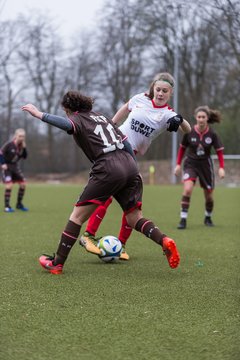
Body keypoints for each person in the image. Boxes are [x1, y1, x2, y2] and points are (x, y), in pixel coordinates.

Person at [22, 90, 181, 274]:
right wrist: (131, 169)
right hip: (129, 164)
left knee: (77, 217)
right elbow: (127, 144)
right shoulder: (103, 117)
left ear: (68, 109)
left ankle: (57, 263)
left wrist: (39, 114)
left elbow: (67, 125)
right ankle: (164, 240)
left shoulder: (78, 119)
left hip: (108, 166)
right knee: (134, 217)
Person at [82, 72, 191, 260]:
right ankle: (88, 235)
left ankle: (121, 245)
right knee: (109, 196)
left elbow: (188, 131)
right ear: (153, 88)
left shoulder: (168, 114)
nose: (160, 93)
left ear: (170, 93)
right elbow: (125, 108)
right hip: (116, 149)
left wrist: (180, 119)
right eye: (158, 89)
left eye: (165, 91)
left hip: (131, 157)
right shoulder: (141, 98)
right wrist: (111, 125)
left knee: (131, 204)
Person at [174, 105, 225, 229]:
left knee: (208, 195)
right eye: (199, 117)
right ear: (195, 118)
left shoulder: (213, 134)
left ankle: (208, 217)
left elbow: (219, 151)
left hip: (206, 165)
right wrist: (178, 164)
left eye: (203, 117)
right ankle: (183, 219)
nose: (201, 119)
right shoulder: (189, 132)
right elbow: (182, 149)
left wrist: (221, 167)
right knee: (187, 190)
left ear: (207, 118)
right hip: (191, 163)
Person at [0, 128, 29, 212]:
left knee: (23, 184)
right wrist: (3, 164)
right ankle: (7, 206)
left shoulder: (22, 146)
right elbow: (0, 153)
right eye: (20, 136)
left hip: (15, 167)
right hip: (7, 167)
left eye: (23, 136)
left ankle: (19, 204)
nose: (22, 138)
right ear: (16, 136)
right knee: (9, 185)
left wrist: (24, 148)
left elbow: (25, 157)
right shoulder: (9, 144)